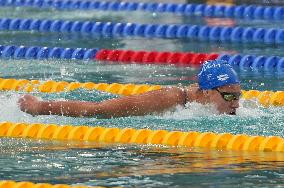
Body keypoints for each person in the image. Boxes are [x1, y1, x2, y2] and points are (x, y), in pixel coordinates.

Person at [18, 60, 242, 118]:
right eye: (230, 96)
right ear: (205, 92)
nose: (236, 103)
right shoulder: (170, 99)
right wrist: (39, 106)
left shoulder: (209, 103)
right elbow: (98, 109)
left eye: (238, 96)